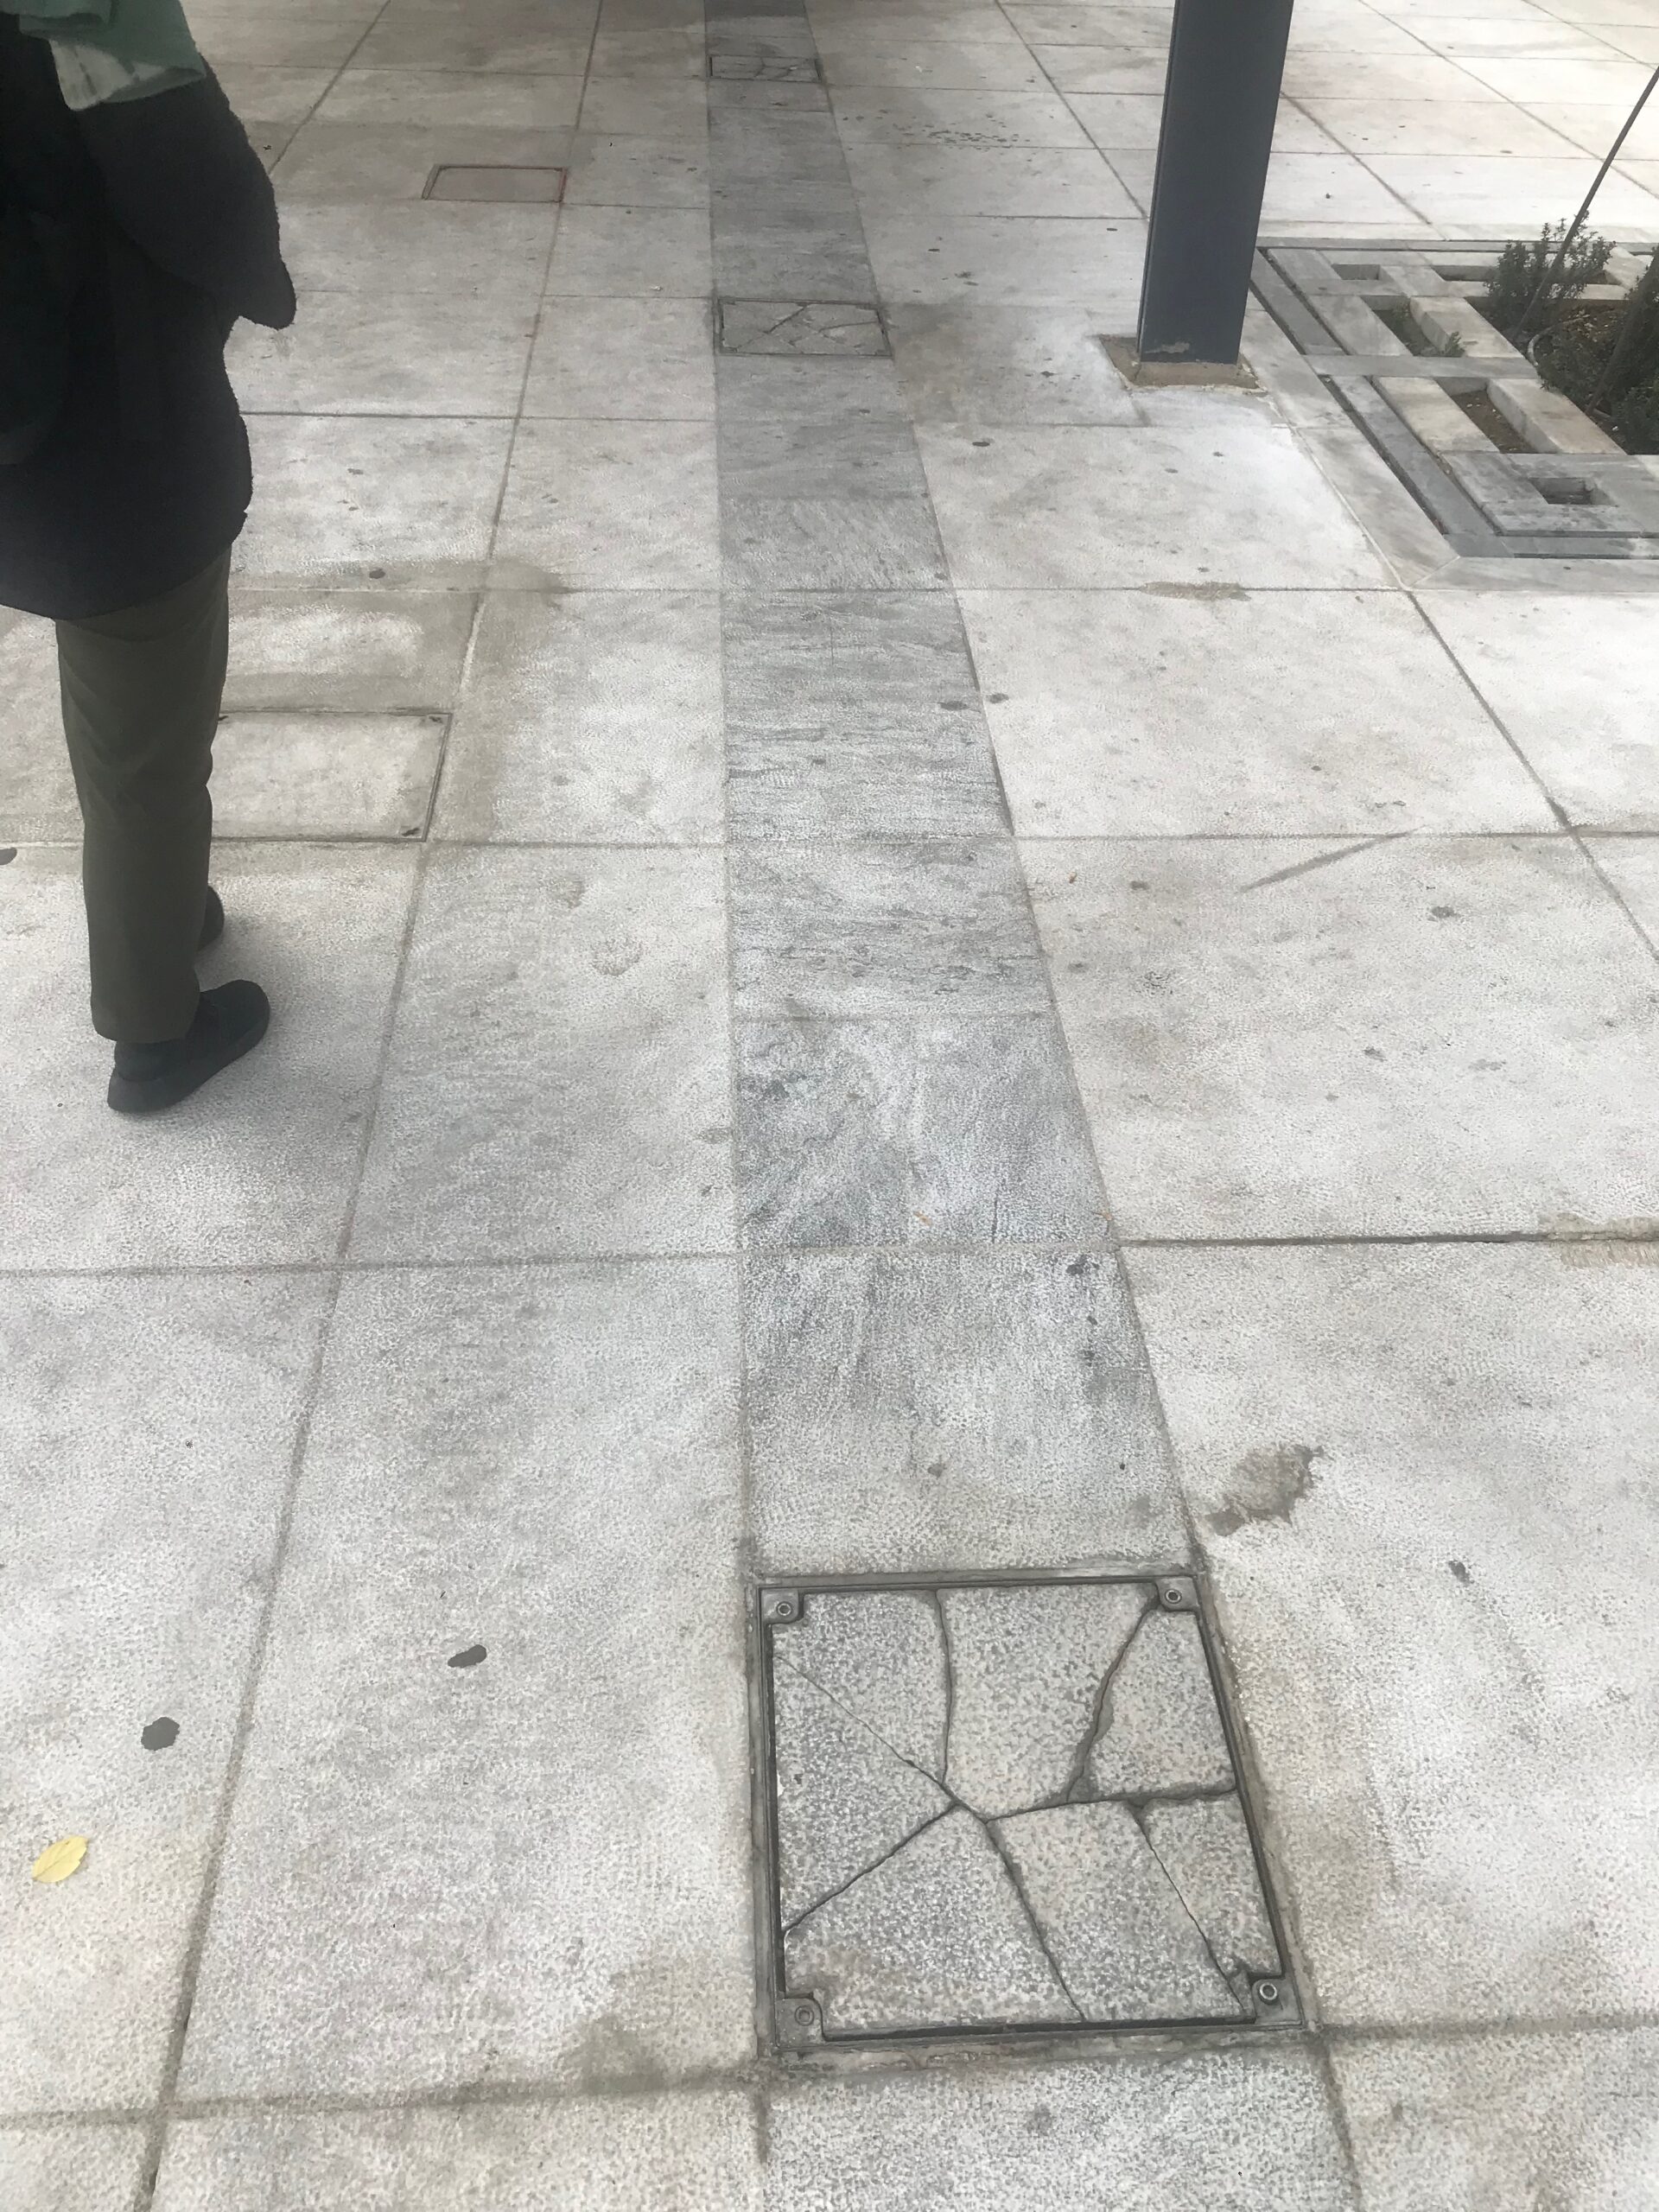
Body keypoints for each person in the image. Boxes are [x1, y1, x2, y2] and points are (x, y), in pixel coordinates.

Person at [0, 0, 295, 1111]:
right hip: (109, 451)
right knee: (145, 758)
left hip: (32, 451)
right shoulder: (86, 17)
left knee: (124, 727)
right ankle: (154, 1032)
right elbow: (209, 207)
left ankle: (158, 906)